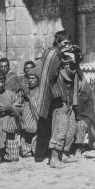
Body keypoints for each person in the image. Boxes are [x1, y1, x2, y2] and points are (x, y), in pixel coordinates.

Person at [47, 45, 88, 168]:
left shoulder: (74, 70)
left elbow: (76, 67)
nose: (73, 66)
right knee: (59, 132)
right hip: (60, 105)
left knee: (70, 129)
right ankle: (54, 159)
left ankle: (63, 154)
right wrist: (62, 52)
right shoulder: (58, 70)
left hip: (69, 104)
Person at [35, 30, 72, 162]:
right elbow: (48, 77)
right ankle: (54, 158)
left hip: (54, 93)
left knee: (53, 124)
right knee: (58, 125)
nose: (67, 45)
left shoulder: (55, 52)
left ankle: (55, 155)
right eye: (65, 42)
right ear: (58, 41)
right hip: (53, 94)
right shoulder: (53, 54)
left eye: (69, 43)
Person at [19, 64, 40, 158]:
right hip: (26, 115)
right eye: (29, 78)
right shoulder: (24, 88)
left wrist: (29, 95)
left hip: (37, 117)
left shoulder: (40, 90)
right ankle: (26, 150)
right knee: (26, 129)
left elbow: (38, 106)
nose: (31, 80)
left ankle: (36, 149)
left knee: (36, 130)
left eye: (33, 78)